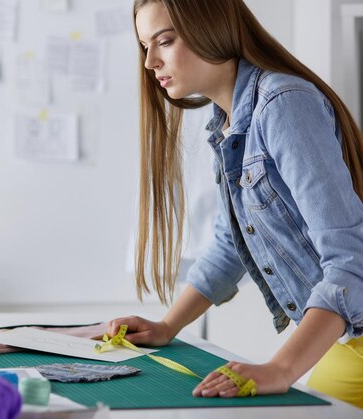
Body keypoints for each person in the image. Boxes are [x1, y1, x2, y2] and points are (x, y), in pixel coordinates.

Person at [107, 0, 363, 408]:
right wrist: (166, 325)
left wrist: (279, 369)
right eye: (145, 46)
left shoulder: (283, 104)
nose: (150, 61)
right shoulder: (229, 123)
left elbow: (351, 260)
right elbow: (234, 242)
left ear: (213, 28)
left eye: (165, 41)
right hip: (347, 338)